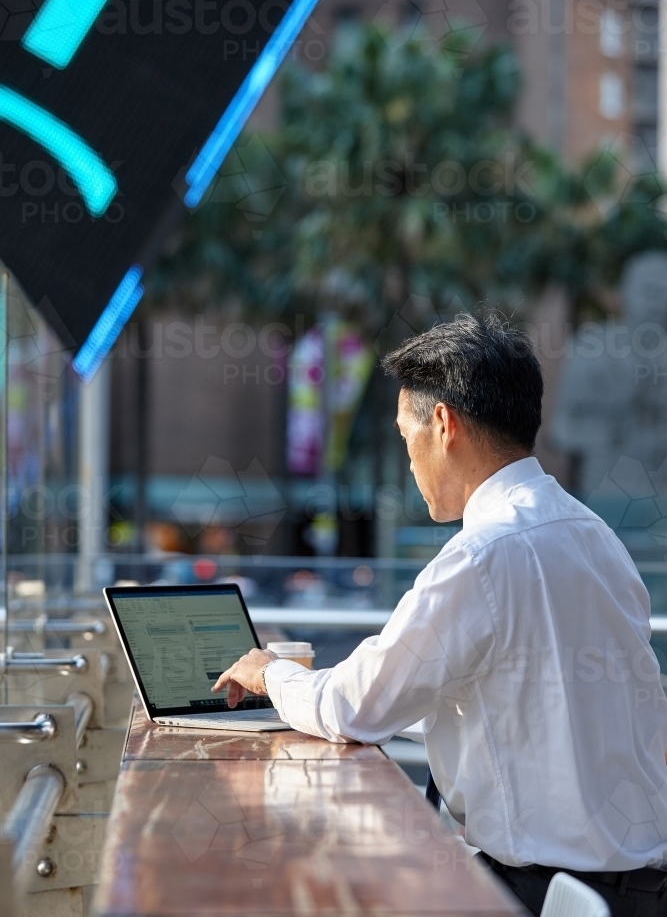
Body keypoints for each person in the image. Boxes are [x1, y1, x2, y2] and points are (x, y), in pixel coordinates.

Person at [212, 312, 667, 917]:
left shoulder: (484, 554)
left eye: (407, 437)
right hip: (636, 890)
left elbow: (356, 705)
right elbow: (531, 705)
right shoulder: (594, 535)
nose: (408, 461)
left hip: (543, 893)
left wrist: (269, 673)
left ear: (444, 425)